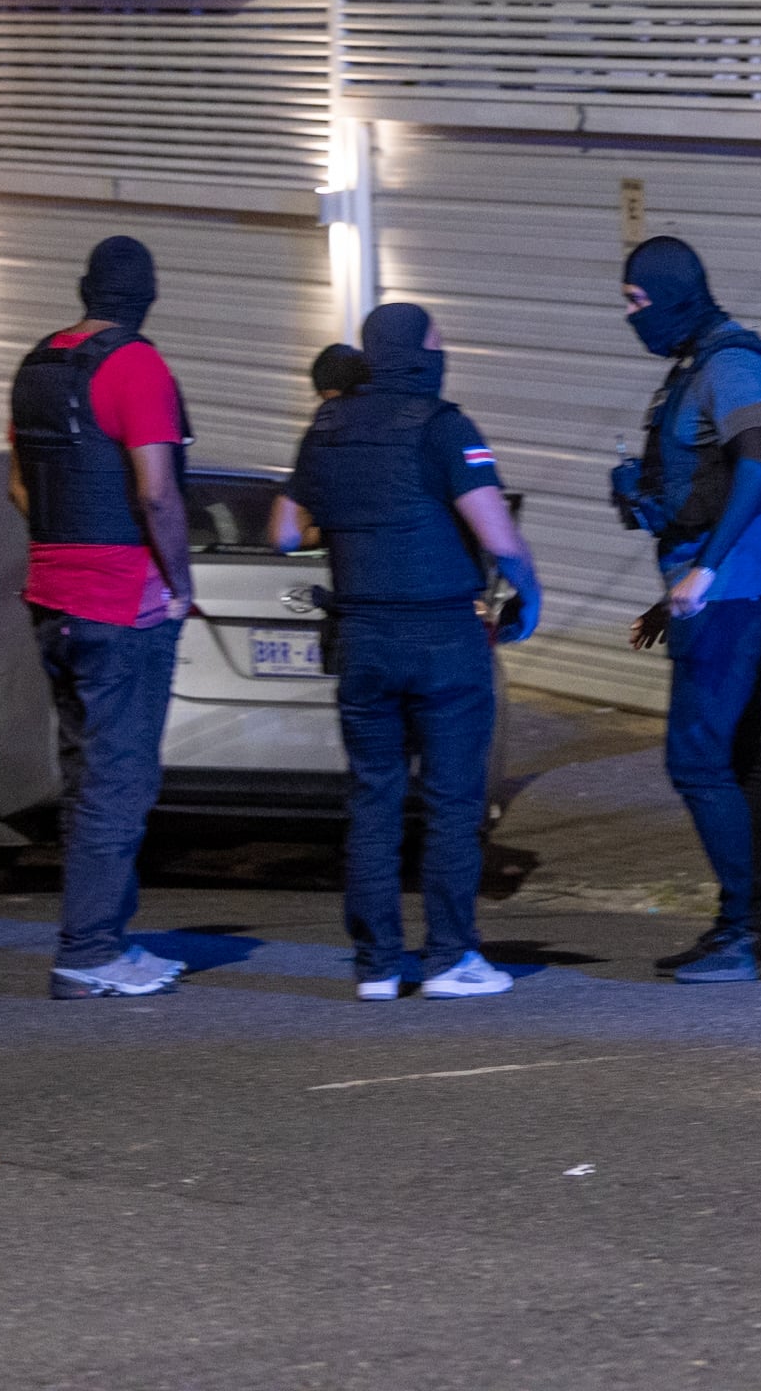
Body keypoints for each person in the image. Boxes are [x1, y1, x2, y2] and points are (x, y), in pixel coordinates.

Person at [273, 302, 542, 1001]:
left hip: (362, 636)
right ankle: (451, 957)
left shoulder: (325, 426)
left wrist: (349, 531)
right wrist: (527, 585)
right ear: (418, 354)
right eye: (438, 340)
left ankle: (377, 965)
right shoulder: (444, 427)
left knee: (373, 799)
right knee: (453, 801)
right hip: (443, 636)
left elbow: (282, 530)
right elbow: (494, 529)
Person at [8, 236, 194, 1001]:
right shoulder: (138, 366)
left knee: (88, 774)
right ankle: (90, 951)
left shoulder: (39, 365)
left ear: (85, 288)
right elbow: (157, 491)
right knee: (122, 779)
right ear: (148, 296)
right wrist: (178, 579)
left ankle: (103, 939)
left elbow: (21, 485)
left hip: (52, 596)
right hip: (123, 600)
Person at [612, 235, 761, 984]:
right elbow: (714, 483)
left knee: (696, 758)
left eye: (635, 300)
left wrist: (706, 572)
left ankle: (740, 935)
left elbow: (759, 464)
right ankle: (752, 926)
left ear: (668, 290)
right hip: (723, 587)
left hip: (735, 589)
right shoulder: (699, 365)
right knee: (733, 757)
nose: (629, 315)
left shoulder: (734, 364)